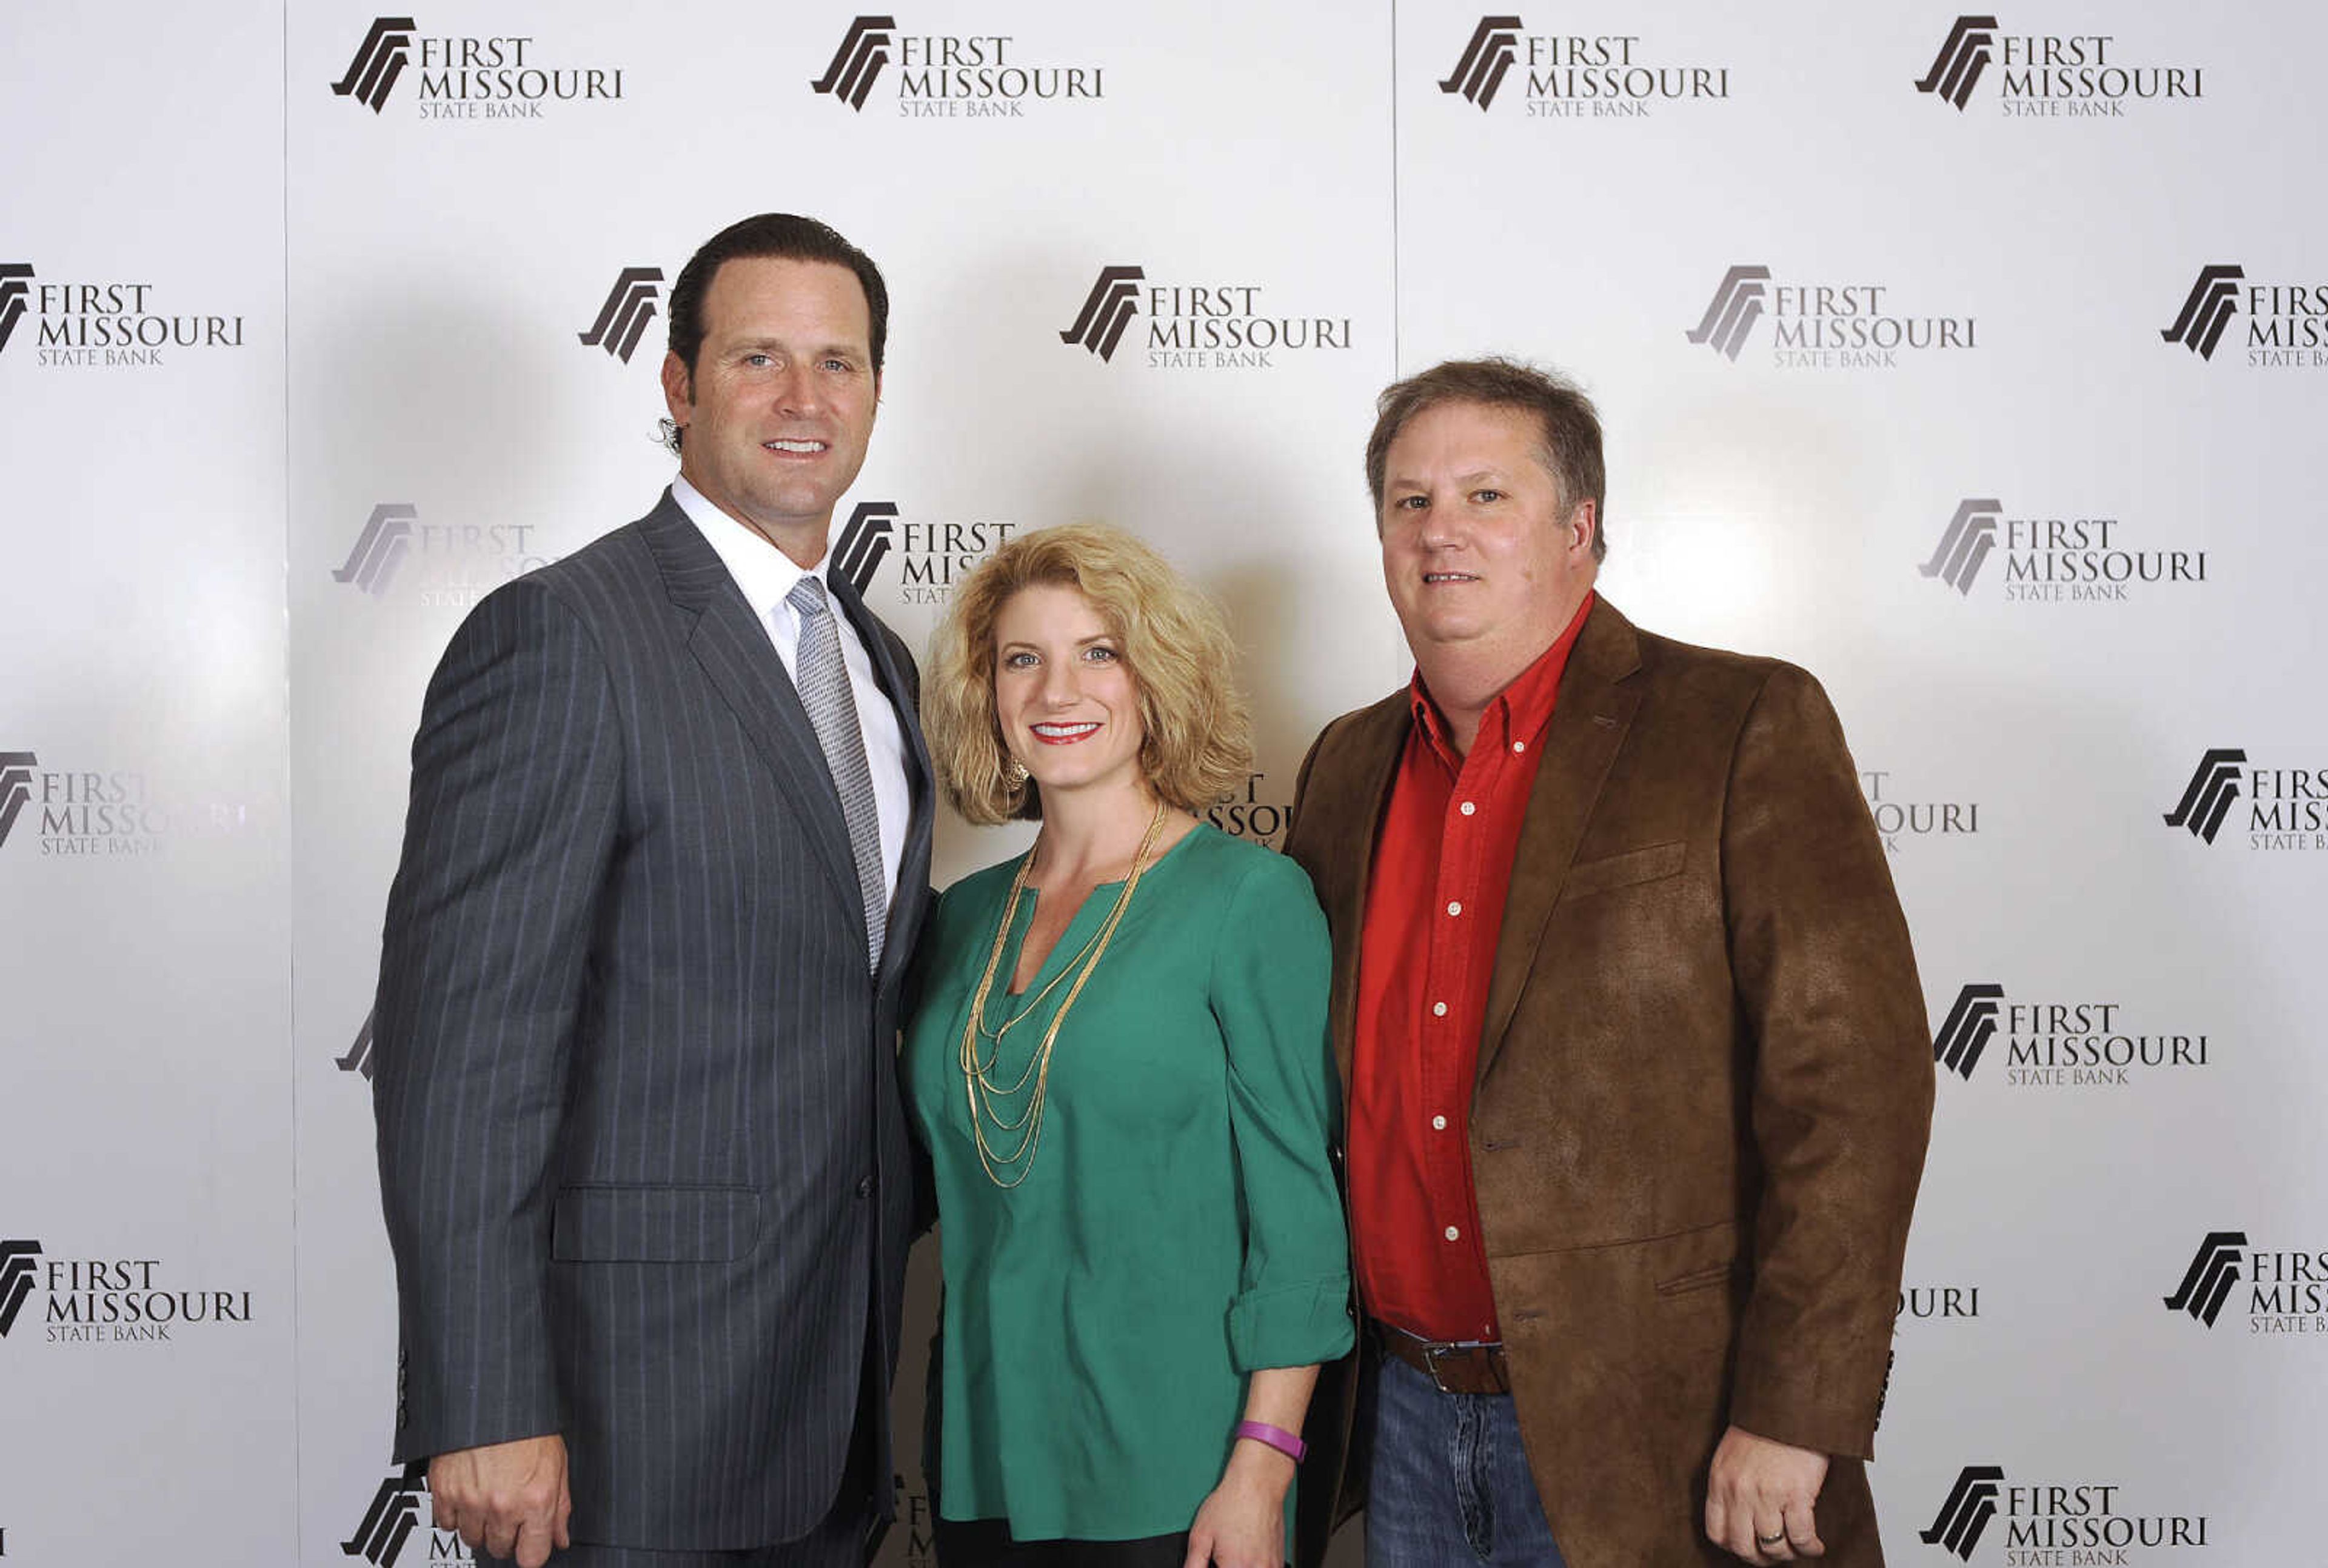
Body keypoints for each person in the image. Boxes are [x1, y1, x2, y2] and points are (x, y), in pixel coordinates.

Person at [1283, 360, 1933, 1568]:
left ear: (1583, 529)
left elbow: (1854, 1091)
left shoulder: (1740, 725)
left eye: (1486, 495)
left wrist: (1797, 1409)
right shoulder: (1345, 767)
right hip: (1404, 1424)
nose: (1441, 533)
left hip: (1663, 1429)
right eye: (1409, 501)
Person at [370, 213, 934, 1568]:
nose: (806, 400)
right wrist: (489, 1400)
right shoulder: (564, 635)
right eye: (758, 359)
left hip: (838, 1404)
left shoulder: (877, 660)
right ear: (678, 385)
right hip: (627, 1424)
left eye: (839, 363)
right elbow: (462, 1057)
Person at [905, 524, 1354, 1567]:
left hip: (1181, 1468)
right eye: (1025, 658)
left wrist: (1263, 1466)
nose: (1058, 691)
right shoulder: (962, 919)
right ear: (989, 692)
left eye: (1097, 653)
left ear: (1155, 679)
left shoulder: (1248, 901)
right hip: (983, 1454)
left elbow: (1299, 1222)